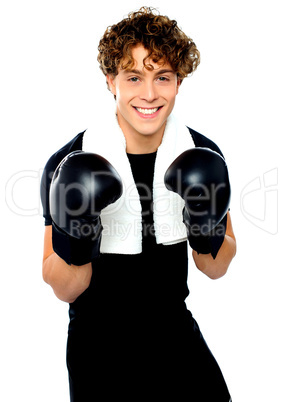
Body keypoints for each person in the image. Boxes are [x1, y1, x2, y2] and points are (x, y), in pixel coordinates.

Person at [40, 7, 236, 401]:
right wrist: (77, 229)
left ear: (178, 81)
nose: (149, 94)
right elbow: (65, 287)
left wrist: (205, 224)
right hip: (97, 347)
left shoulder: (199, 154)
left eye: (162, 77)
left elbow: (214, 266)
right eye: (133, 77)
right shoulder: (71, 161)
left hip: (174, 334)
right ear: (110, 81)